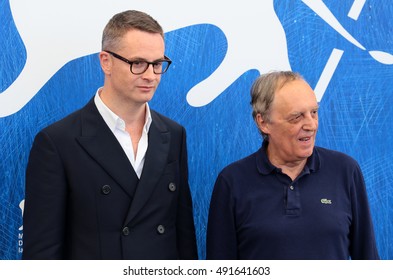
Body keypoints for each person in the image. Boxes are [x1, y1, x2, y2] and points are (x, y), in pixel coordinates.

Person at [23, 10, 197, 260]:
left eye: (157, 64)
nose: (150, 75)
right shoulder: (58, 142)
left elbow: (182, 237)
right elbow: (42, 254)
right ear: (106, 61)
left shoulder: (173, 134)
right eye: (137, 63)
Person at [206, 70, 379, 260]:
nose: (311, 125)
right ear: (263, 122)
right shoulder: (232, 182)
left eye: (314, 112)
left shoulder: (345, 171)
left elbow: (368, 260)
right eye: (296, 117)